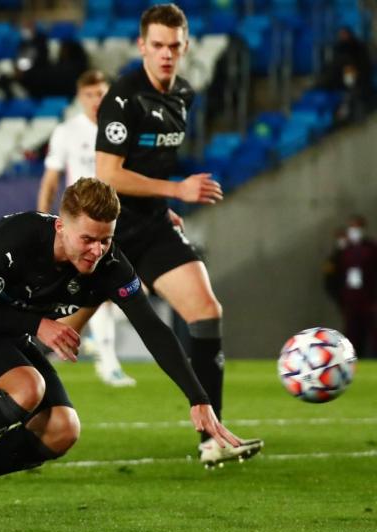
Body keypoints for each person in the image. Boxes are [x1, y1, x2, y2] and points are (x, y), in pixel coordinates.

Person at [0, 177, 242, 532]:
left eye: (105, 240)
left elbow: (152, 327)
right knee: (28, 386)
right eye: (88, 239)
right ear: (61, 227)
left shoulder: (110, 265)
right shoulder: (16, 238)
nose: (97, 250)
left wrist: (198, 397)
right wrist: (38, 325)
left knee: (62, 430)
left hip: (6, 334)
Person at [93, 3, 262, 467]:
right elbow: (108, 174)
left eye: (174, 46)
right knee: (60, 329)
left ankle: (213, 439)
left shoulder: (183, 94)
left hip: (150, 226)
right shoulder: (123, 99)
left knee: (206, 312)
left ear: (185, 47)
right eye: (158, 45)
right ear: (142, 46)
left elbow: (149, 163)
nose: (166, 54)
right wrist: (177, 190)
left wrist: (162, 204)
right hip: (109, 232)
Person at [38, 69, 136, 388]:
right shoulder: (66, 132)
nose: (96, 100)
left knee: (134, 290)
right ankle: (108, 361)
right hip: (83, 224)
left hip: (120, 220)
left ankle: (88, 333)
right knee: (104, 289)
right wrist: (42, 218)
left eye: (101, 94)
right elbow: (51, 179)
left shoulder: (122, 130)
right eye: (90, 94)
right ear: (80, 98)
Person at [331, 215, 377, 357]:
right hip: (349, 297)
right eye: (352, 227)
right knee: (352, 331)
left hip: (368, 297)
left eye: (358, 227)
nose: (355, 230)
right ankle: (351, 357)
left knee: (372, 330)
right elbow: (333, 275)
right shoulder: (343, 250)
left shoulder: (371, 248)